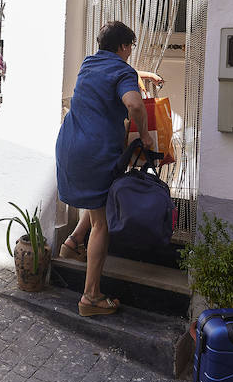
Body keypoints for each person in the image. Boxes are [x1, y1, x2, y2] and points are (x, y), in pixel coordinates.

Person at [55, 20, 160, 317]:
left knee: (96, 199)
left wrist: (139, 74)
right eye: (130, 48)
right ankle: (90, 296)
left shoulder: (88, 64)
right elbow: (135, 106)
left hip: (68, 145)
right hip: (95, 151)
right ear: (124, 47)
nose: (130, 55)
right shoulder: (122, 70)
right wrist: (146, 135)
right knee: (102, 223)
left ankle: (72, 242)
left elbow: (112, 76)